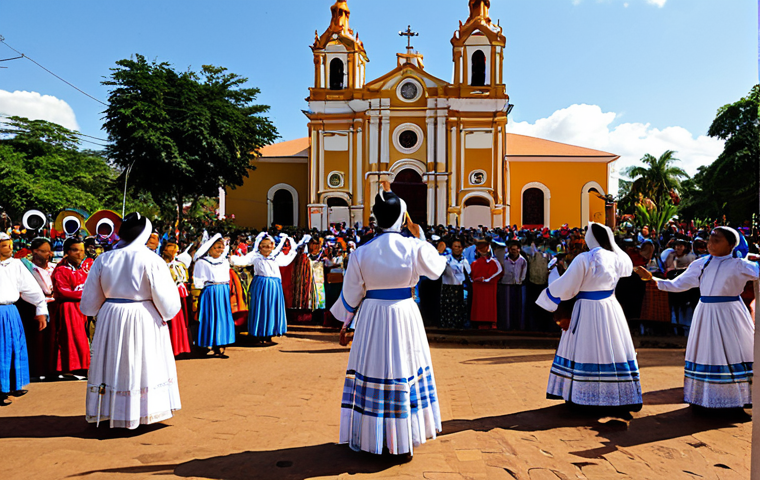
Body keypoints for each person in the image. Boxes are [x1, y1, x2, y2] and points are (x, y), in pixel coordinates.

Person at [331, 182, 446, 457]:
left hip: (371, 315)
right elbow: (437, 268)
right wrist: (422, 237)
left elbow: (351, 295)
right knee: (403, 368)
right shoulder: (413, 247)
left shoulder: (361, 252)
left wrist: (346, 325)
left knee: (373, 369)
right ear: (402, 218)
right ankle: (403, 439)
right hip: (404, 312)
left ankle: (374, 438)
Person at [635, 226, 759, 409]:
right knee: (708, 351)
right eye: (710, 239)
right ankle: (706, 398)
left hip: (730, 314)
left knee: (731, 352)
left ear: (732, 244)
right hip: (706, 313)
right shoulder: (701, 264)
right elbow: (677, 284)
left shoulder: (740, 264)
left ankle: (735, 397)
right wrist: (652, 279)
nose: (710, 243)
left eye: (717, 240)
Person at [81, 212, 182, 428]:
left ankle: (113, 411)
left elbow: (89, 301)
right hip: (143, 315)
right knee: (143, 363)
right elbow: (167, 300)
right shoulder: (151, 259)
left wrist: (103, 308)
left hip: (111, 315)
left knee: (115, 363)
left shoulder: (103, 258)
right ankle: (142, 411)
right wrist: (165, 313)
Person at [537, 222, 642, 411]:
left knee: (586, 347)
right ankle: (616, 394)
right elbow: (628, 270)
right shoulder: (616, 258)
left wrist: (551, 287)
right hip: (611, 308)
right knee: (612, 345)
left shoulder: (584, 258)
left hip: (586, 309)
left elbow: (567, 286)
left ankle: (583, 396)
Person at [0, 233, 47, 405]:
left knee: (14, 348)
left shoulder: (16, 264)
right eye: (5, 245)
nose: (10, 248)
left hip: (10, 312)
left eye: (10, 244)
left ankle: (12, 385)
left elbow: (30, 288)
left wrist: (40, 308)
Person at [230, 232, 299, 342]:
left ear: (272, 246)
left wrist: (292, 246)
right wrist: (231, 258)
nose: (266, 248)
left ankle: (270, 332)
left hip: (274, 285)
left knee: (272, 308)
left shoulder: (276, 257)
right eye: (263, 246)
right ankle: (259, 332)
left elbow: (286, 261)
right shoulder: (255, 257)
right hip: (260, 285)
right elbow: (241, 261)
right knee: (260, 308)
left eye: (269, 246)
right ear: (259, 246)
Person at [50, 237, 90, 375]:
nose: (80, 254)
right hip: (68, 308)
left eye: (82, 251)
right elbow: (63, 291)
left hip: (82, 307)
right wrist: (87, 294)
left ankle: (82, 366)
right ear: (67, 252)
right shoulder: (61, 270)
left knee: (82, 338)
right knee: (71, 339)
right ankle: (70, 368)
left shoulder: (83, 269)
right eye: (75, 250)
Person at [193, 234, 235, 357]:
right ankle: (207, 342)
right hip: (210, 292)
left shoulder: (224, 261)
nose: (220, 250)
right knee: (210, 317)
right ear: (209, 248)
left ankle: (221, 343)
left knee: (222, 317)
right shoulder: (202, 262)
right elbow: (198, 280)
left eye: (221, 247)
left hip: (223, 291)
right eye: (217, 247)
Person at [161, 239, 192, 357]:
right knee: (173, 321)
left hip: (181, 295)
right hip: (170, 294)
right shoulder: (163, 265)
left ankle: (182, 346)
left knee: (182, 320)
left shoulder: (179, 265)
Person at [469, 238, 502, 329]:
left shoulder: (493, 262)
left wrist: (486, 280)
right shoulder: (475, 263)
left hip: (488, 287)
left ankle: (487, 322)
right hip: (480, 287)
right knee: (481, 304)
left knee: (487, 304)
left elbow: (498, 273)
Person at [439, 238, 470, 329]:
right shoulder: (446, 259)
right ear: (452, 248)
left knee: (460, 307)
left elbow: (468, 273)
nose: (457, 248)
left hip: (460, 287)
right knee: (448, 308)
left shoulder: (465, 260)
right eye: (455, 246)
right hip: (448, 287)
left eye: (459, 247)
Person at [498, 241, 526, 330]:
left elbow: (524, 272)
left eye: (515, 249)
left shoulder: (522, 260)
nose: (513, 251)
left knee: (517, 306)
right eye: (511, 249)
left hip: (517, 285)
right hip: (506, 284)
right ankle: (506, 326)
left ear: (519, 250)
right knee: (506, 306)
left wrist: (520, 280)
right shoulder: (504, 259)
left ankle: (517, 326)